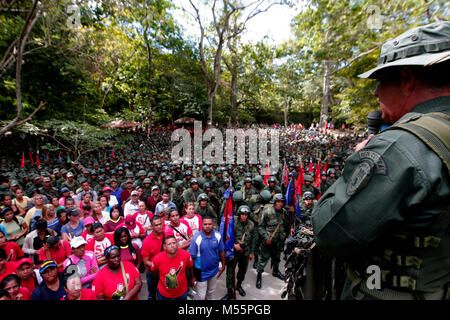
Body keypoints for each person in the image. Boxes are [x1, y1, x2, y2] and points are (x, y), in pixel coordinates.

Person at [312, 21, 450, 300]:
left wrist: (357, 162)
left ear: (407, 79)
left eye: (380, 82)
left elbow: (329, 230)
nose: (375, 94)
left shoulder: (399, 146)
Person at [256, 193, 291, 289]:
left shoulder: (284, 212)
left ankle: (275, 271)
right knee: (263, 259)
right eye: (278, 202)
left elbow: (285, 224)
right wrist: (266, 237)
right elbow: (261, 227)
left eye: (282, 202)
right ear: (274, 202)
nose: (280, 204)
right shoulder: (267, 212)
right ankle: (259, 276)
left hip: (279, 240)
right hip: (268, 240)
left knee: (277, 257)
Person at [222, 205, 255, 300]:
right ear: (239, 214)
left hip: (245, 252)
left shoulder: (251, 225)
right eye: (242, 214)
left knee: (242, 271)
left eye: (246, 214)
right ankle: (229, 291)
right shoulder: (233, 223)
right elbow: (226, 237)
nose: (244, 216)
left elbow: (253, 239)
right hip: (233, 252)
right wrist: (233, 246)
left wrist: (252, 252)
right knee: (230, 271)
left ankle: (239, 285)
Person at [189, 216, 225, 300]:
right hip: (201, 272)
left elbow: (221, 251)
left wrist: (223, 265)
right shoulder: (196, 239)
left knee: (210, 292)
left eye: (209, 224)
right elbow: (192, 259)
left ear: (213, 224)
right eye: (205, 224)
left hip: (214, 270)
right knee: (201, 296)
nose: (207, 226)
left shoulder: (217, 235)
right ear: (202, 225)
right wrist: (193, 276)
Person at [151, 235, 194, 300]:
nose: (172, 245)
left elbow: (189, 267)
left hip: (181, 293)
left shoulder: (186, 255)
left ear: (177, 244)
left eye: (174, 243)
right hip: (164, 294)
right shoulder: (157, 258)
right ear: (164, 247)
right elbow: (154, 271)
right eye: (169, 244)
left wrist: (192, 278)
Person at [141, 215, 165, 300]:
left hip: (166, 273)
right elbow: (146, 261)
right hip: (153, 273)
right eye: (156, 225)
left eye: (160, 224)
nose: (159, 227)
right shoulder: (147, 241)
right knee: (152, 294)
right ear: (151, 226)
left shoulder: (166, 236)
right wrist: (160, 267)